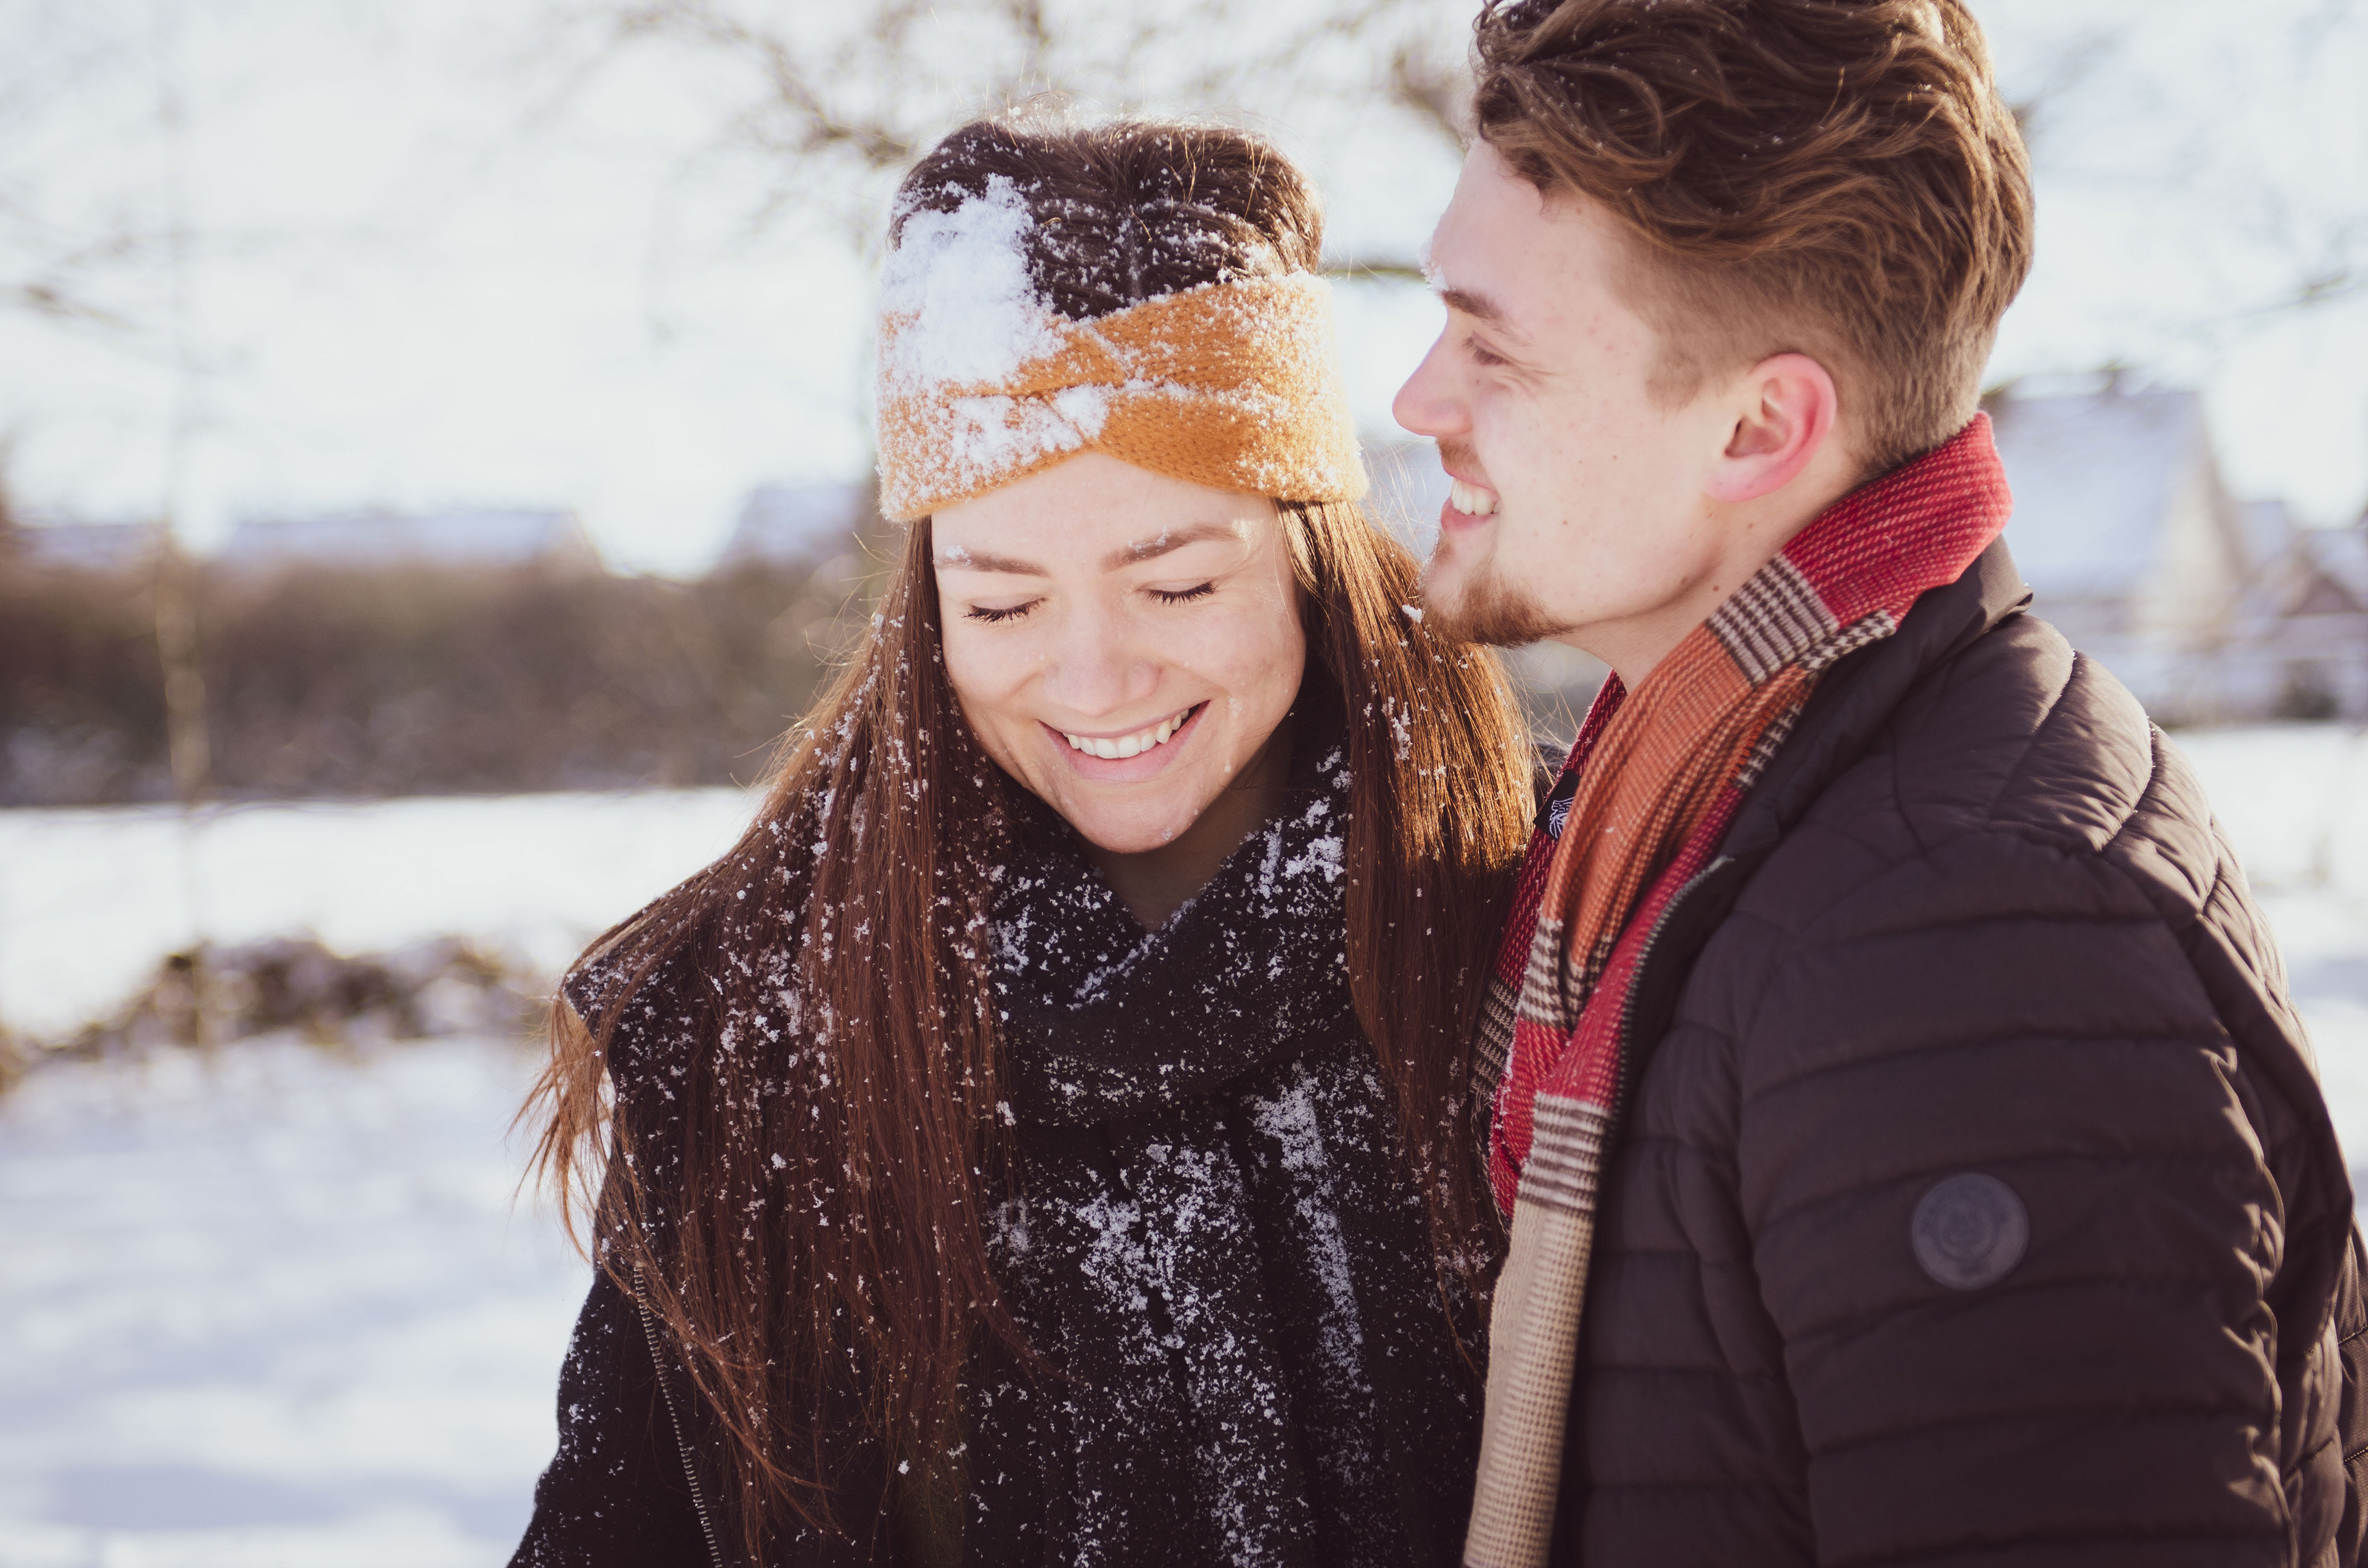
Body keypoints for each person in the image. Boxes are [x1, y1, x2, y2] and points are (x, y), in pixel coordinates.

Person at [1390, 2, 2368, 1566]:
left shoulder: (1967, 939)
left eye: (1490, 347)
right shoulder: (1704, 813)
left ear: (1758, 426)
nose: (1419, 401)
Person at [511, 117, 1538, 1568]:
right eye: (1001, 605)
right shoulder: (762, 1025)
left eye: (1178, 585)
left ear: (1308, 557)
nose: (1094, 679)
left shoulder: (1538, 911)